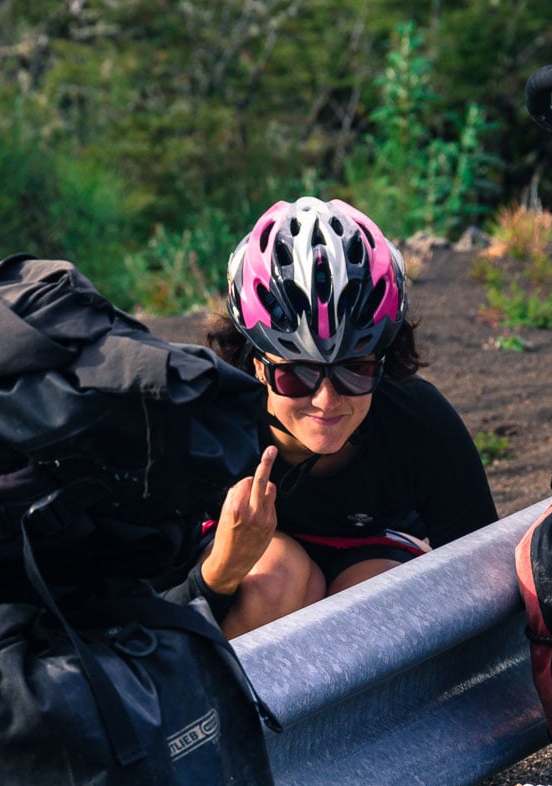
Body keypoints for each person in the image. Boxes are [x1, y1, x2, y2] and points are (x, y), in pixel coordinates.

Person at [180, 196, 497, 637]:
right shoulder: (202, 422)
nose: (327, 400)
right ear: (256, 365)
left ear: (384, 361)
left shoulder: (417, 418)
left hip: (370, 555)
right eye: (296, 375)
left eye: (355, 370)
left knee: (376, 596)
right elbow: (131, 618)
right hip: (250, 571)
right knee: (273, 577)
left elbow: (483, 569)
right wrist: (220, 571)